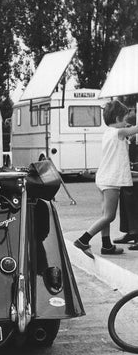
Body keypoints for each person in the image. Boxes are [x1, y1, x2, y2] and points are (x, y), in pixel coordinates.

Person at [74, 100, 138, 257]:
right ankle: (83, 240)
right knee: (109, 216)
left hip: (103, 177)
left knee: (105, 215)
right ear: (117, 119)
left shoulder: (108, 133)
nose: (126, 124)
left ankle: (107, 245)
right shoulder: (118, 133)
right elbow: (135, 129)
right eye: (124, 119)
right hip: (110, 180)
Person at [113, 111, 138, 249]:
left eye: (129, 126)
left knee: (134, 203)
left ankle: (135, 232)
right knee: (126, 202)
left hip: (135, 175)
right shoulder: (127, 139)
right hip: (128, 175)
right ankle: (131, 231)